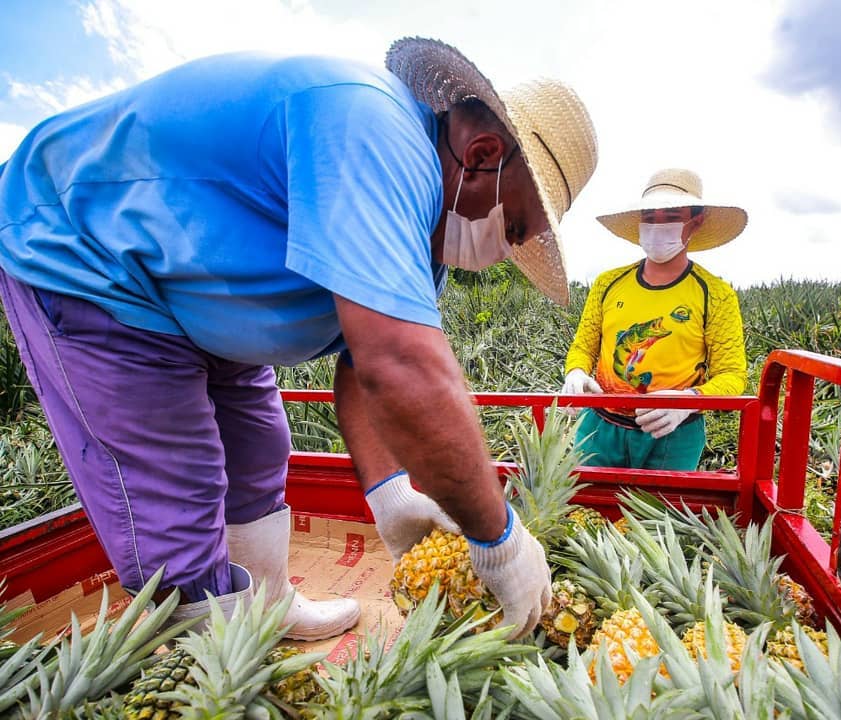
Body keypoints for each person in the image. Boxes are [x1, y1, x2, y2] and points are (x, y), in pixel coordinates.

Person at [0, 37, 598, 640]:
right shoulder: (375, 136)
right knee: (177, 494)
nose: (506, 249)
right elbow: (399, 364)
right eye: (516, 226)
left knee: (259, 446)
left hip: (198, 295)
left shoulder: (426, 233)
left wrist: (391, 494)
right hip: (89, 256)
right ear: (483, 154)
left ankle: (266, 601)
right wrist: (497, 540)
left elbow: (358, 362)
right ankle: (212, 649)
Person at [561, 168, 747, 471]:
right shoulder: (608, 283)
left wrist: (687, 401)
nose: (658, 223)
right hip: (600, 428)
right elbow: (584, 345)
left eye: (671, 215)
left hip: (674, 435)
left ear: (695, 222)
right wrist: (576, 372)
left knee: (660, 517)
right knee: (585, 514)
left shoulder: (715, 294)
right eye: (650, 216)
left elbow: (732, 376)